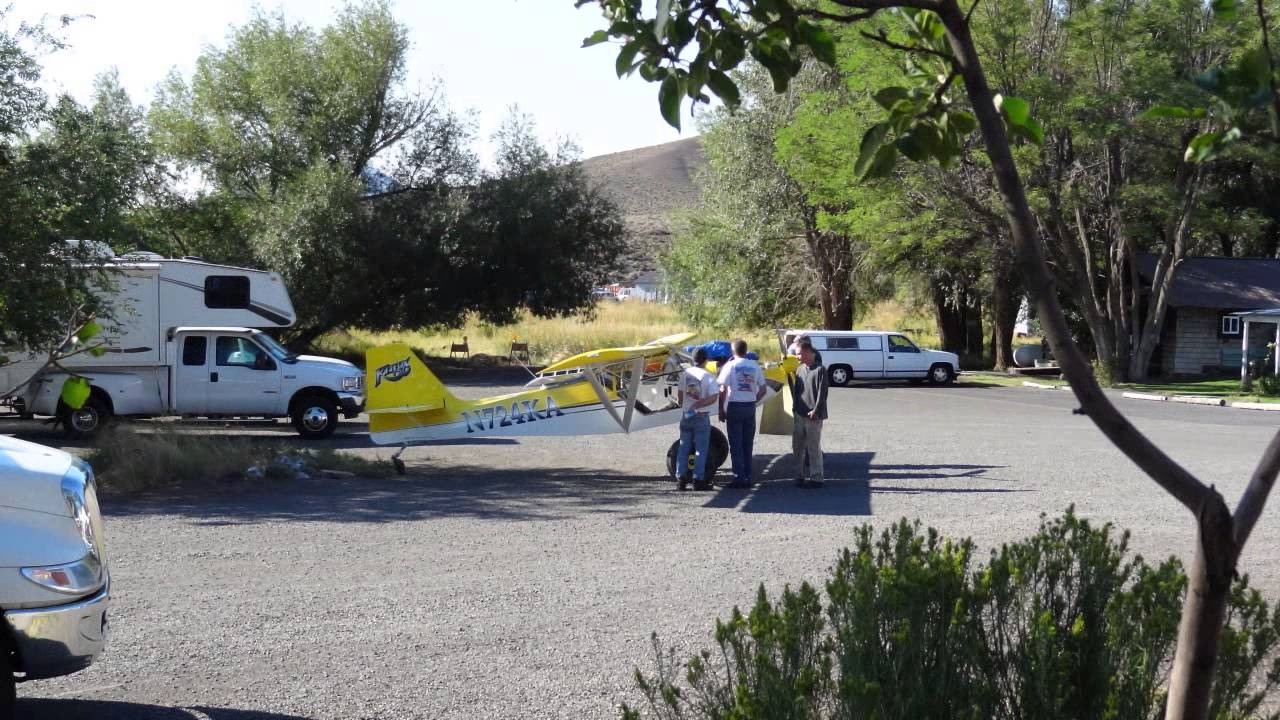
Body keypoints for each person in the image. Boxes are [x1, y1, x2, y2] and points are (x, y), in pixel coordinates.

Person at [717, 338, 767, 489]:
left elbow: (723, 389)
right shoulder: (754, 366)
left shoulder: (730, 366)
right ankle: (747, 475)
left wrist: (721, 409)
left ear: (733, 351)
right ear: (746, 351)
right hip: (749, 407)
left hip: (735, 406)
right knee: (747, 443)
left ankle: (739, 477)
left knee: (736, 443)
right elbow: (763, 389)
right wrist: (754, 400)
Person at [676, 348, 719, 491]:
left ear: (692, 360)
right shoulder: (708, 376)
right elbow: (713, 397)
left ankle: (681, 479)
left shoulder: (684, 374)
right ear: (706, 360)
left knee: (684, 446)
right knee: (701, 448)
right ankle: (698, 479)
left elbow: (680, 396)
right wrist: (700, 403)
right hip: (701, 415)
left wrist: (687, 405)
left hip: (687, 414)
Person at [791, 338, 829, 489]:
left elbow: (823, 392)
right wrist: (794, 408)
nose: (797, 357)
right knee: (797, 447)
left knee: (813, 448)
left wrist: (816, 410)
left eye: (799, 354)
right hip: (799, 414)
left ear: (808, 352)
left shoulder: (820, 370)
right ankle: (799, 476)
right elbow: (797, 390)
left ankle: (817, 478)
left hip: (814, 416)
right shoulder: (800, 369)